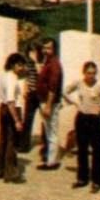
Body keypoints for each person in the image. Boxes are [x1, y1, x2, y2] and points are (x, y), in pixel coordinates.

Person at [65, 60, 100, 193]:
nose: (91, 76)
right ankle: (82, 178)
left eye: (93, 73)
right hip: (82, 117)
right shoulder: (79, 83)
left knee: (97, 151)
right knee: (82, 149)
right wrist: (76, 103)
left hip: (95, 119)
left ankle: (98, 181)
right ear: (84, 73)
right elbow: (66, 91)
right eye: (89, 73)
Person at [0, 53, 27, 182]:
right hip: (12, 109)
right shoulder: (12, 79)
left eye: (22, 65)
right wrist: (17, 120)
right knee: (12, 142)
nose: (21, 68)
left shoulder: (4, 76)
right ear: (13, 65)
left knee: (3, 139)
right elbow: (11, 100)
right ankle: (11, 172)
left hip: (2, 108)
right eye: (19, 65)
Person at [35, 38, 64, 170]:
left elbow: (53, 88)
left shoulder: (54, 66)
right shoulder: (48, 62)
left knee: (52, 132)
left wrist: (47, 105)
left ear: (54, 49)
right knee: (48, 131)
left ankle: (52, 162)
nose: (45, 51)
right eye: (44, 48)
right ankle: (50, 156)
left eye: (48, 48)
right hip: (44, 101)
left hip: (50, 103)